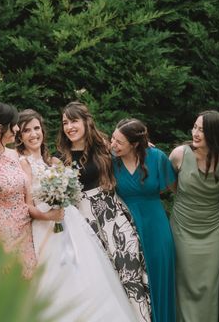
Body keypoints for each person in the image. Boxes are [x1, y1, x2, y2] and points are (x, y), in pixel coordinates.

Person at [17, 109, 137, 322]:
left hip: (70, 221)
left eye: (36, 128)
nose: (33, 134)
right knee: (54, 279)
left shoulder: (54, 161)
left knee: (86, 274)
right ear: (19, 135)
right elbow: (27, 206)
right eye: (27, 130)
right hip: (44, 226)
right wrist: (49, 216)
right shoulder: (21, 163)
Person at [57, 101, 151, 322]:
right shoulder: (60, 157)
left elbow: (132, 148)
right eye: (65, 123)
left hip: (113, 217)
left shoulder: (104, 147)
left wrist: (145, 147)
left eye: (74, 121)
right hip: (82, 223)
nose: (69, 126)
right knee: (99, 277)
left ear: (86, 122)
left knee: (129, 270)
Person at [0, 102, 51, 279]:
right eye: (14, 124)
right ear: (0, 128)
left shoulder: (14, 155)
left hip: (25, 231)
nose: (17, 128)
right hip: (3, 235)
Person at [169, 110, 219, 322]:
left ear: (215, 133)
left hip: (214, 228)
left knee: (209, 283)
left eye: (202, 130)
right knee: (183, 280)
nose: (196, 133)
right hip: (183, 225)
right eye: (195, 127)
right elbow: (172, 187)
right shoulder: (179, 154)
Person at [111, 118, 176, 322]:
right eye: (112, 139)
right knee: (130, 281)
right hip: (125, 227)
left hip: (155, 226)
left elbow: (170, 187)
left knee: (158, 276)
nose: (113, 145)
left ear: (135, 144)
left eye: (119, 142)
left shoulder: (157, 157)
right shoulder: (110, 161)